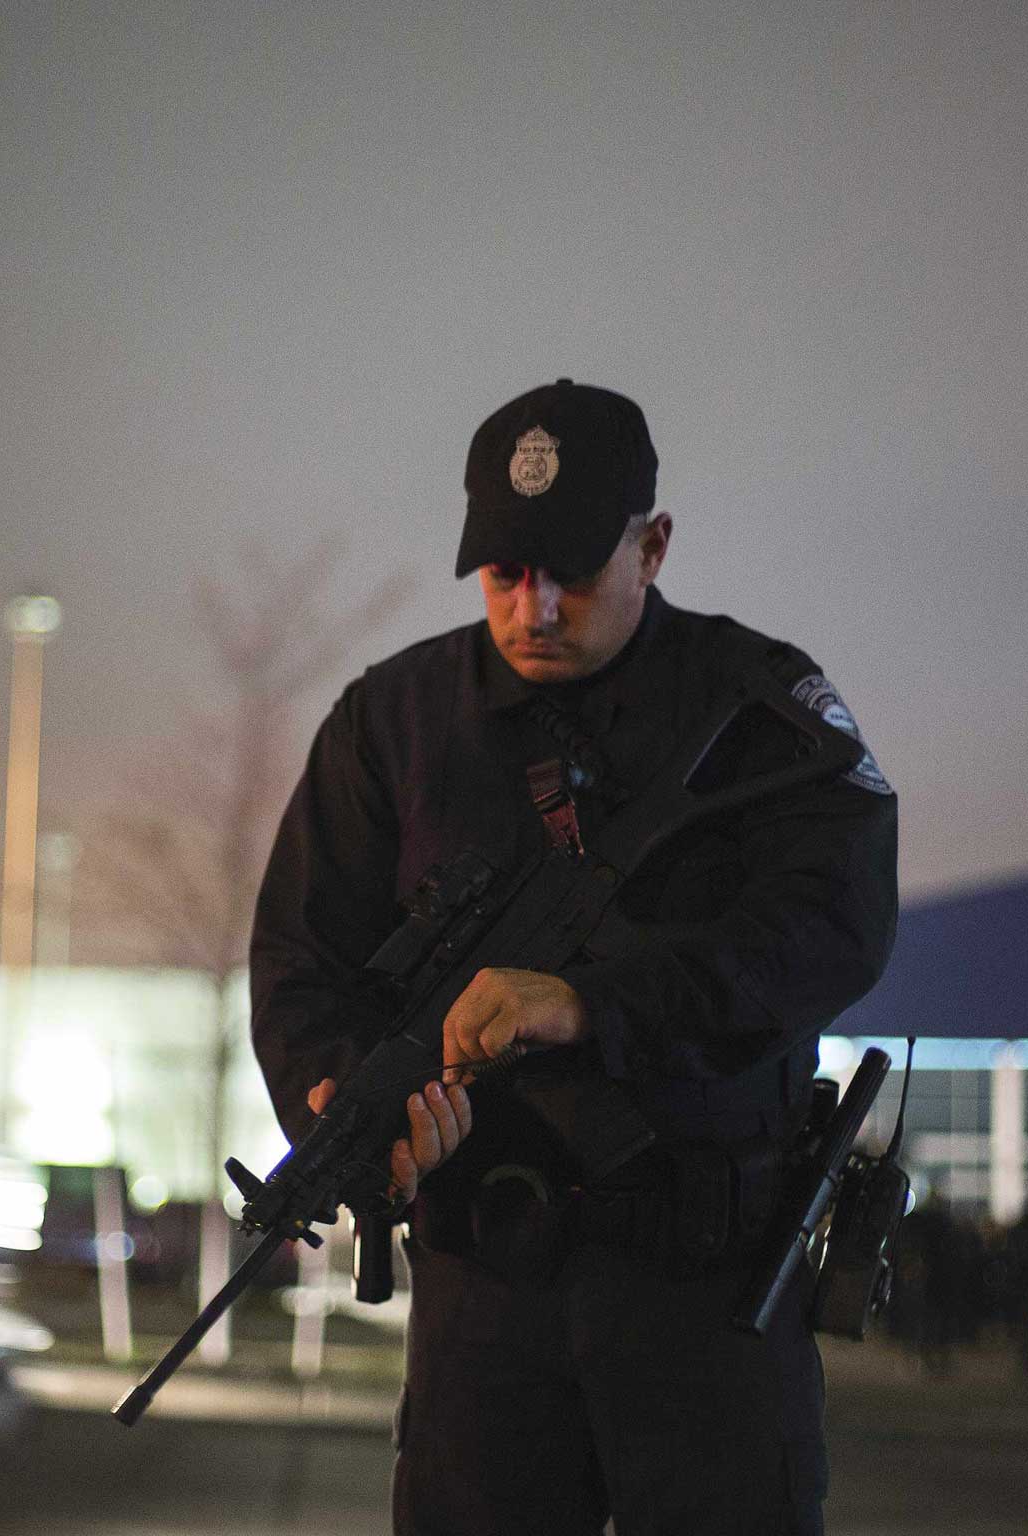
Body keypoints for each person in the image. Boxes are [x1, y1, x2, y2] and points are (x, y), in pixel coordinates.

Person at [249, 379, 900, 1536]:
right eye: (503, 574)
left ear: (651, 546)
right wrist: (354, 1120)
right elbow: (302, 963)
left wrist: (593, 1004)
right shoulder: (390, 722)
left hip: (710, 1299)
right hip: (486, 1301)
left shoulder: (761, 705)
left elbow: (833, 927)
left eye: (570, 570)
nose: (534, 606)